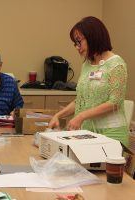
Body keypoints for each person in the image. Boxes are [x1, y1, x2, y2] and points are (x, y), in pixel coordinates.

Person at [48, 16, 129, 146]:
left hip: (111, 135)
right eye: (75, 43)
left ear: (93, 37)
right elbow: (81, 100)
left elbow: (115, 102)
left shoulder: (116, 64)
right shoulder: (87, 64)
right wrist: (58, 115)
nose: (77, 47)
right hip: (88, 133)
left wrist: (81, 116)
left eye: (79, 41)